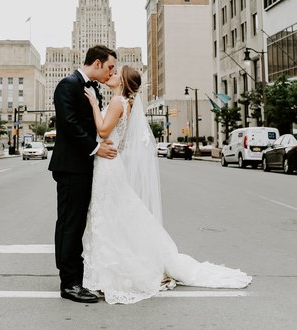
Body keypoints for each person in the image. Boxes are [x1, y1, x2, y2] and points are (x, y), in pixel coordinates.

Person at [82, 65, 252, 305]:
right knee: (116, 215)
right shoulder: (125, 103)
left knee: (109, 215)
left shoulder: (118, 102)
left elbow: (103, 129)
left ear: (124, 82)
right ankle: (112, 268)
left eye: (116, 73)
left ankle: (114, 271)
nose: (111, 75)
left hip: (108, 166)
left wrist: (92, 106)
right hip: (111, 162)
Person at [48, 44, 118, 303]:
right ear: (97, 63)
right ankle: (69, 284)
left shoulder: (92, 88)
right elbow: (68, 124)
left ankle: (77, 277)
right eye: (110, 66)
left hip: (84, 166)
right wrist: (96, 148)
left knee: (78, 224)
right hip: (70, 167)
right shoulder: (68, 85)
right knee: (69, 224)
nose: (112, 72)